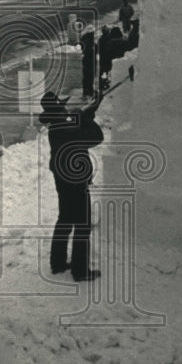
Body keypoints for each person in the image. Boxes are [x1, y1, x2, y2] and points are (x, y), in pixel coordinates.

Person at [39, 91, 104, 282]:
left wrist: (87, 114)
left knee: (65, 218)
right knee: (82, 224)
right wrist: (85, 119)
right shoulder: (67, 124)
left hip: (63, 177)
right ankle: (80, 270)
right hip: (74, 179)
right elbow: (95, 136)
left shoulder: (57, 122)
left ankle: (58, 263)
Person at [79, 25, 97, 98]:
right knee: (90, 76)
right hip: (90, 59)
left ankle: (86, 91)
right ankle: (90, 91)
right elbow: (89, 50)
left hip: (86, 59)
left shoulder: (84, 38)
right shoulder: (89, 40)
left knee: (86, 76)